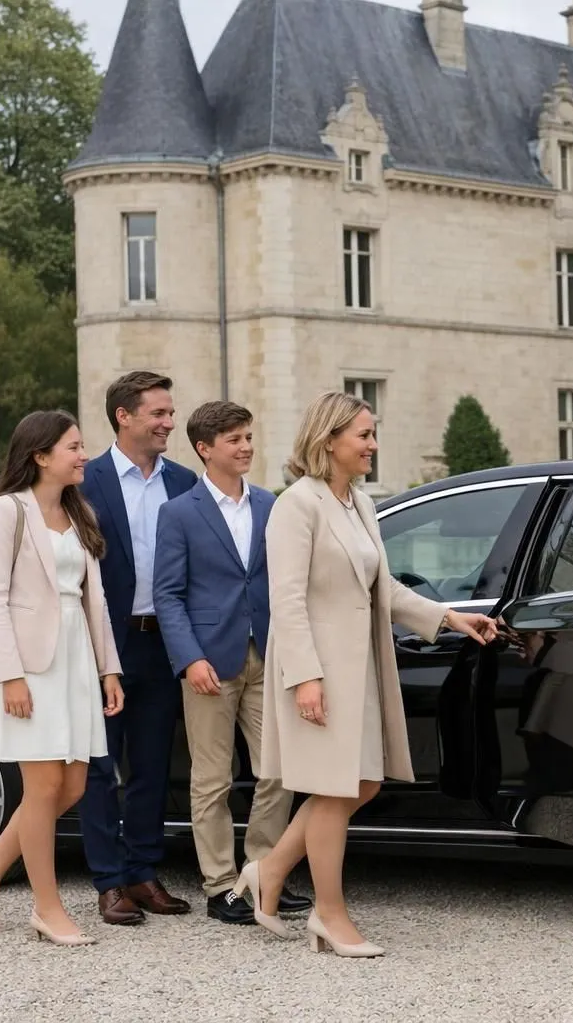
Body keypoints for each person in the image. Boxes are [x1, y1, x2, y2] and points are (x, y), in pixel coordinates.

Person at [233, 391, 498, 957]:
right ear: (329, 440)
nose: (373, 444)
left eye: (373, 433)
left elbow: (386, 590)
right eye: (364, 435)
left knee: (364, 783)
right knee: (334, 789)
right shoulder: (296, 505)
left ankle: (269, 871)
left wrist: (449, 616)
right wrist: (305, 677)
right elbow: (286, 600)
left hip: (361, 668)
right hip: (320, 669)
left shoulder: (361, 504)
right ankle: (329, 915)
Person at [0, 410, 124, 946]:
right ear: (40, 455)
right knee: (45, 786)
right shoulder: (5, 512)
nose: (83, 455)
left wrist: (109, 668)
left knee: (73, 786)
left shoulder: (80, 513)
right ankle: (46, 908)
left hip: (77, 659)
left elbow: (94, 599)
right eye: (74, 447)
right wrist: (10, 675)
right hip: (28, 666)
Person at [152, 401, 312, 924]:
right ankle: (220, 885)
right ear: (205, 448)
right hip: (208, 663)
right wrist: (188, 659)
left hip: (268, 654)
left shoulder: (271, 504)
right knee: (212, 780)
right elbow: (168, 595)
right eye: (234, 439)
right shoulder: (178, 512)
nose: (246, 446)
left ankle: (263, 873)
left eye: (248, 436)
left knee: (279, 770)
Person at [77, 371, 199, 925]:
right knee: (102, 768)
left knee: (152, 764)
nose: (169, 423)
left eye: (171, 413)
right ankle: (107, 882)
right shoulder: (85, 480)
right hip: (106, 643)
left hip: (165, 641)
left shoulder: (183, 481)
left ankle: (143, 873)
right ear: (124, 416)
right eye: (159, 413)